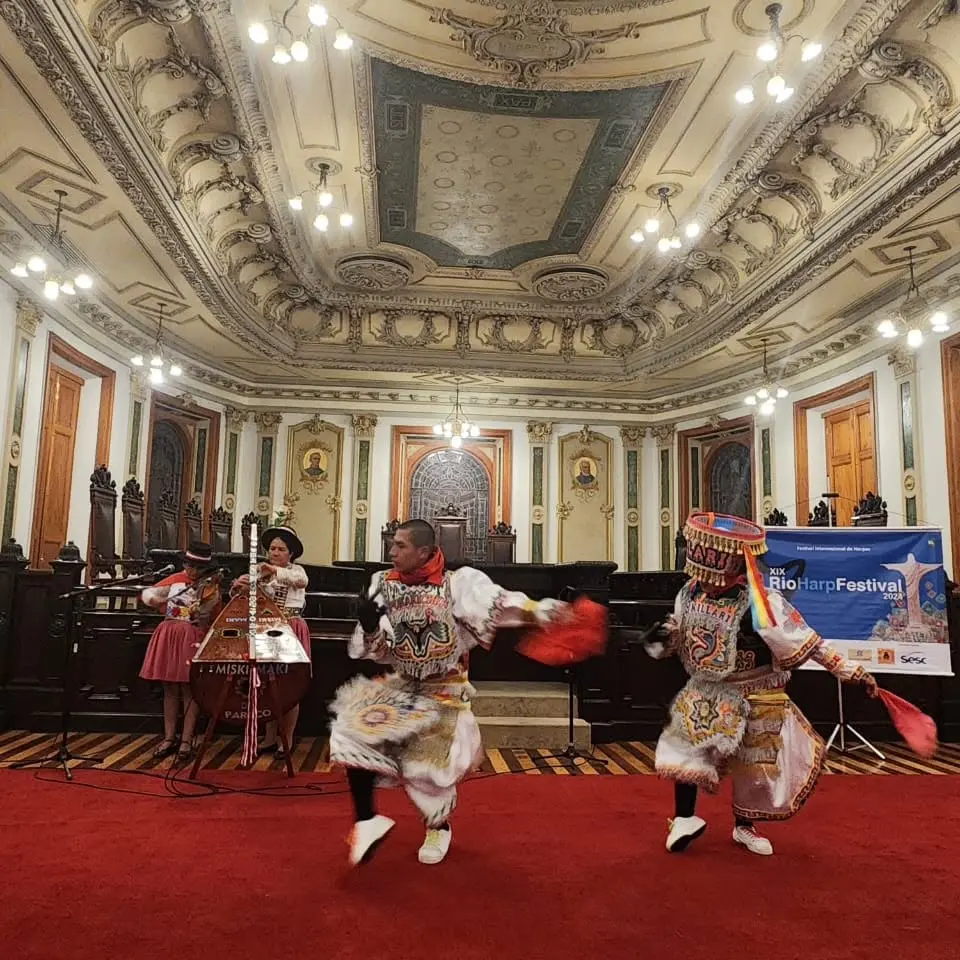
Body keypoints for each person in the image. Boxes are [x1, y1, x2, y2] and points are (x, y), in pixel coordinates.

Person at [329, 519, 577, 867]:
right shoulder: (381, 585)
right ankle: (367, 820)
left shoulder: (458, 585)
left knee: (425, 765)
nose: (391, 552)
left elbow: (504, 605)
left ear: (425, 551)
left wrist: (547, 612)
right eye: (391, 544)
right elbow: (378, 650)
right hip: (404, 685)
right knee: (352, 731)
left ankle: (438, 826)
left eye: (400, 545)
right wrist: (370, 624)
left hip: (445, 689)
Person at [647, 512, 878, 856]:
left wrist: (850, 670)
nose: (706, 582)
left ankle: (744, 825)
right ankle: (683, 818)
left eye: (711, 575)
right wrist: (661, 637)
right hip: (706, 687)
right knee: (684, 749)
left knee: (754, 767)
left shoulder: (760, 601)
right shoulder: (689, 593)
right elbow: (678, 635)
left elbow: (807, 641)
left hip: (755, 689)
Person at [230, 525, 311, 758]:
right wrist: (240, 588)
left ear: (290, 554)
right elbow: (246, 599)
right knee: (266, 682)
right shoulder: (259, 572)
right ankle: (268, 737)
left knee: (289, 685)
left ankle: (286, 738)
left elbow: (301, 581)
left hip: (291, 627)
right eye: (272, 548)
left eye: (281, 549)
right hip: (267, 629)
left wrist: (272, 571)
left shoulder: (297, 570)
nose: (274, 553)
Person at [140, 543, 222, 761]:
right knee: (169, 688)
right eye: (188, 565)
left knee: (189, 689)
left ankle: (186, 739)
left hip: (192, 636)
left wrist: (204, 610)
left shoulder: (210, 585)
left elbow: (214, 614)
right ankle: (169, 737)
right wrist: (155, 599)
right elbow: (148, 595)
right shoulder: (176, 579)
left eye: (196, 567)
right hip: (170, 633)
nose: (191, 570)